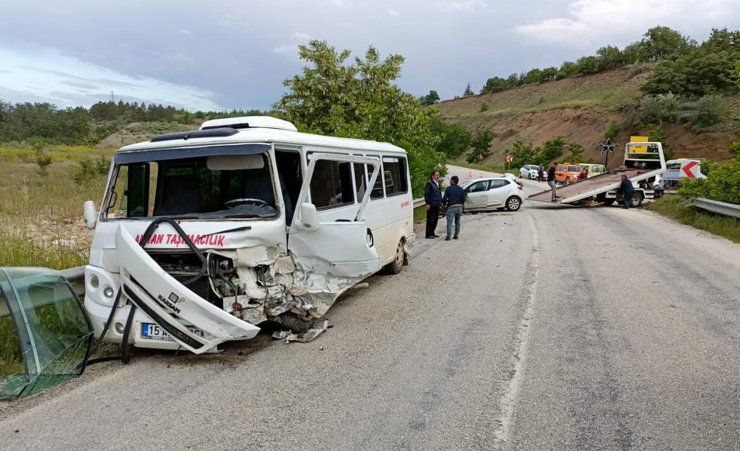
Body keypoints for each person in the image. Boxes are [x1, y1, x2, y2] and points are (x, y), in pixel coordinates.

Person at [442, 175, 466, 241]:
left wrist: (444, 205)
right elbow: (464, 199)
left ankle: (448, 236)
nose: (450, 181)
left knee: (449, 222)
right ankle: (456, 235)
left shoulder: (448, 188)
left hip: (452, 207)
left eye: (450, 180)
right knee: (457, 222)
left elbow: (444, 199)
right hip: (459, 207)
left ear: (452, 181)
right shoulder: (461, 189)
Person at [424, 169, 443, 238]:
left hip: (437, 204)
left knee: (435, 220)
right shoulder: (429, 183)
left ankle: (432, 232)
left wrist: (441, 203)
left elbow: (439, 194)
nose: (438, 176)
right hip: (431, 204)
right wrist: (428, 203)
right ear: (433, 176)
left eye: (438, 175)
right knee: (430, 220)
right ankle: (428, 234)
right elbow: (427, 194)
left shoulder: (438, 183)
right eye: (436, 175)